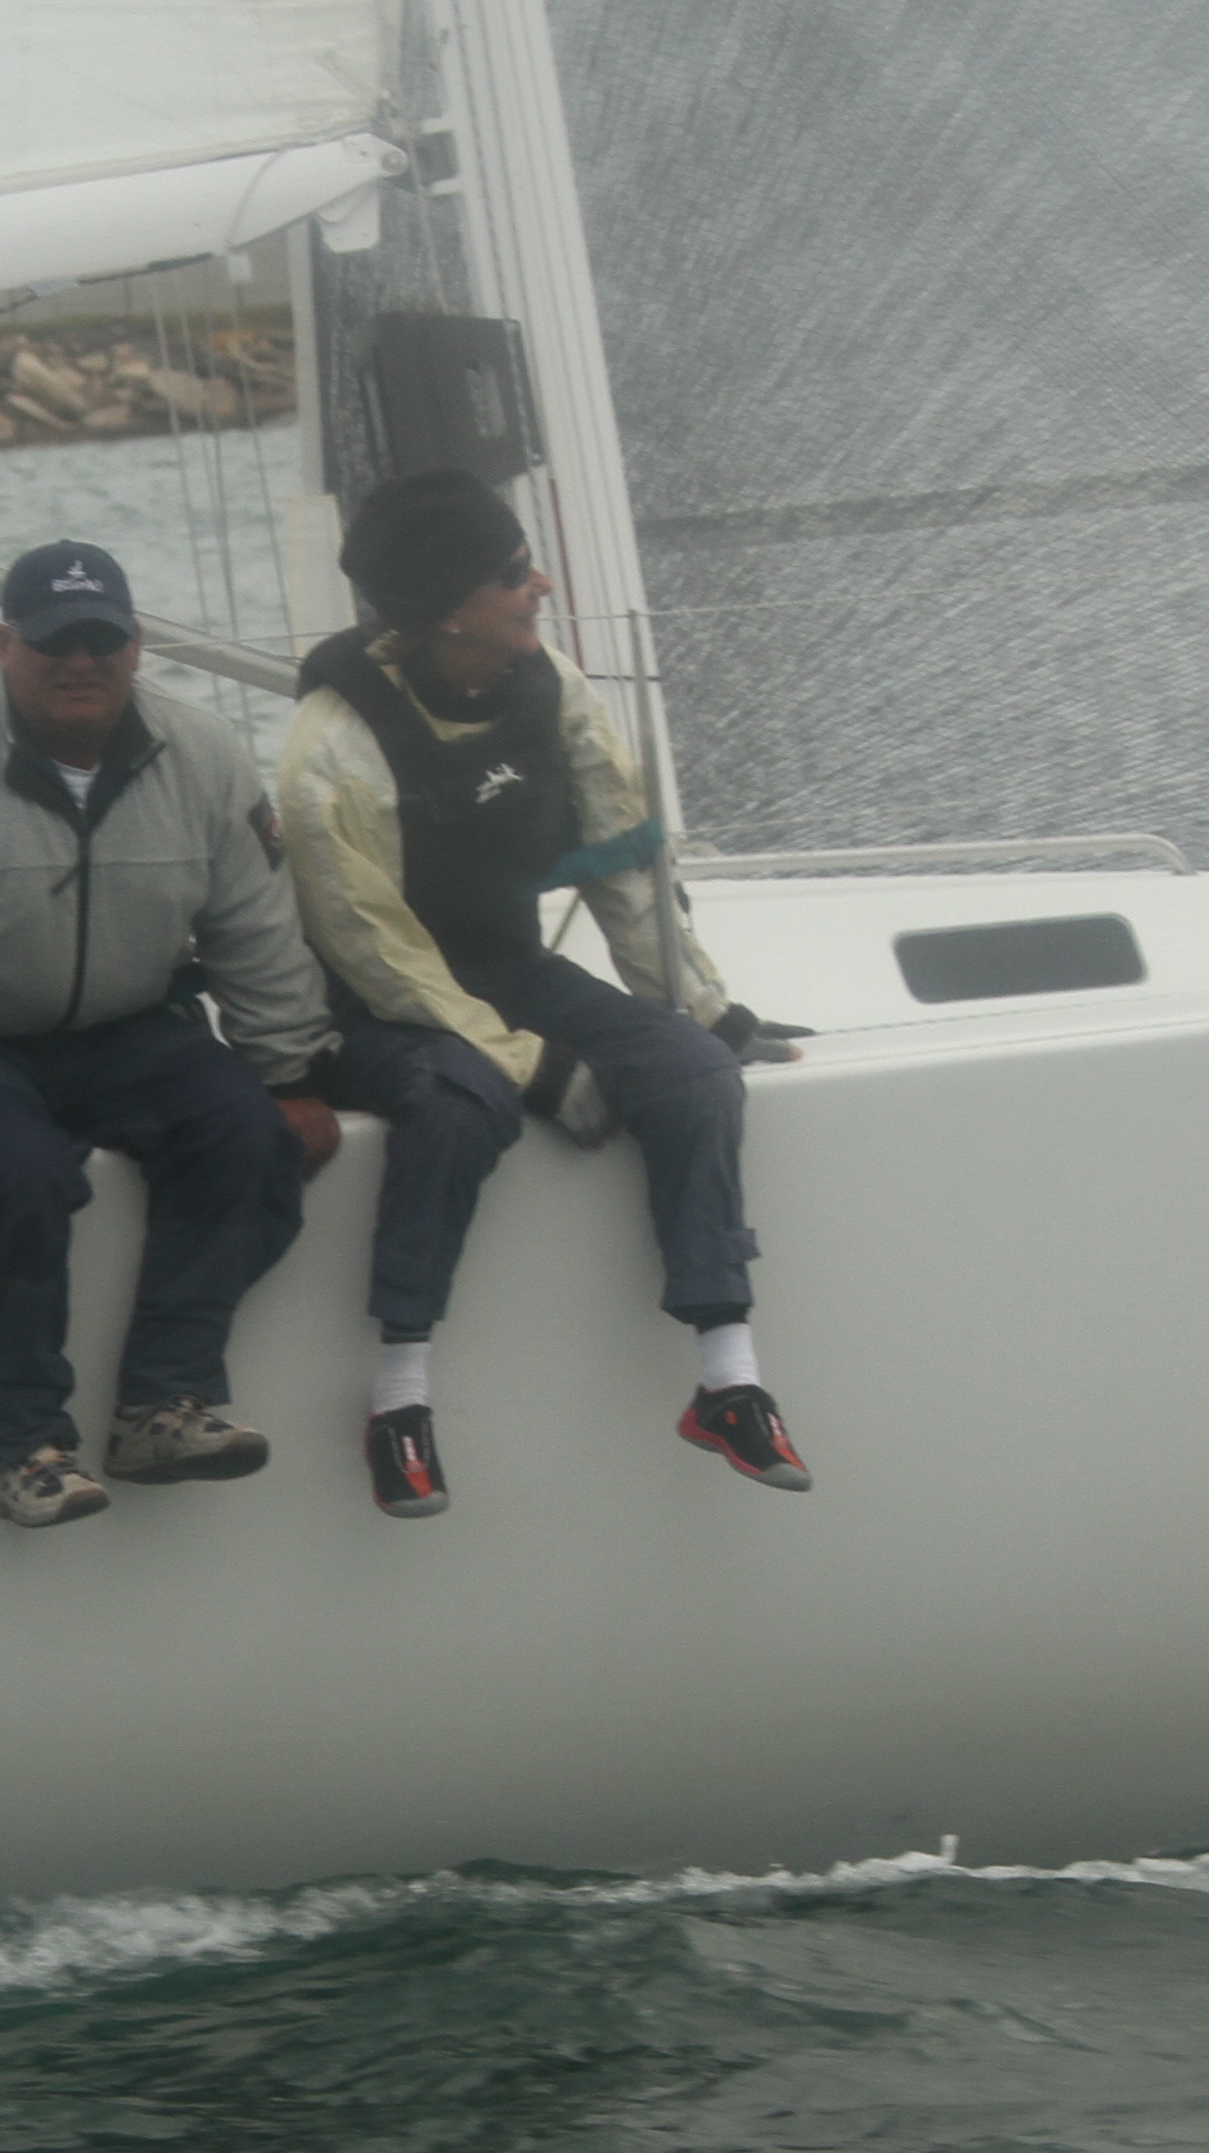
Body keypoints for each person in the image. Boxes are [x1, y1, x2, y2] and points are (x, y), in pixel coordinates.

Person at [279, 470, 813, 1517]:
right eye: (513, 573)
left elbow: (622, 855)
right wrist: (527, 1063)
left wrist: (706, 1008)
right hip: (375, 1006)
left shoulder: (550, 684)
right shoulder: (329, 754)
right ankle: (398, 1402)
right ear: (447, 608)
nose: (542, 587)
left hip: (513, 970)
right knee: (459, 1104)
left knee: (694, 1076)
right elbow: (377, 951)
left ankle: (728, 1379)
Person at [0, 539, 340, 1527]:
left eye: (102, 639)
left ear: (138, 644)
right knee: (18, 1176)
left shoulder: (205, 755)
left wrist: (290, 1073)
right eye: (54, 641)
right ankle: (22, 1443)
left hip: (129, 1026)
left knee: (248, 1135)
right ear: (2, 643)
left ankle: (163, 1403)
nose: (80, 661)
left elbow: (256, 928)